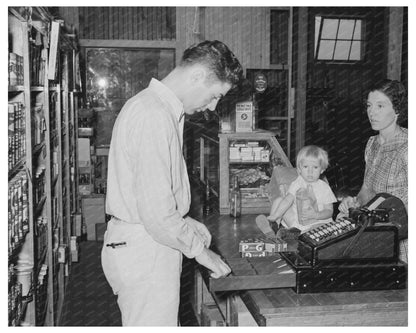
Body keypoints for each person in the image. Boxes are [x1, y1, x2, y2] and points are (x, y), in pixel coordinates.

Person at [101, 40, 243, 326]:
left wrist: (186, 224)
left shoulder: (155, 108)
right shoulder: (153, 115)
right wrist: (203, 254)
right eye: (215, 95)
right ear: (197, 76)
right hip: (146, 250)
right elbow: (156, 212)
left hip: (147, 244)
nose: (213, 106)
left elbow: (149, 198)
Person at [338, 79, 407, 261]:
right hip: (376, 239)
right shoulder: (372, 144)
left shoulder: (408, 147)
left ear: (397, 109)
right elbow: (367, 190)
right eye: (369, 105)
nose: (372, 112)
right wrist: (353, 204)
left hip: (402, 246)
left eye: (380, 106)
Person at [267, 145, 337, 233]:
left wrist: (316, 215)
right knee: (279, 200)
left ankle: (295, 233)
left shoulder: (324, 187)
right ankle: (273, 227)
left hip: (318, 224)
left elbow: (329, 211)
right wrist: (276, 215)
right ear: (299, 168)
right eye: (305, 167)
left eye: (315, 167)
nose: (310, 171)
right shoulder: (298, 182)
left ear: (322, 169)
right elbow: (288, 200)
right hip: (298, 222)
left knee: (318, 228)